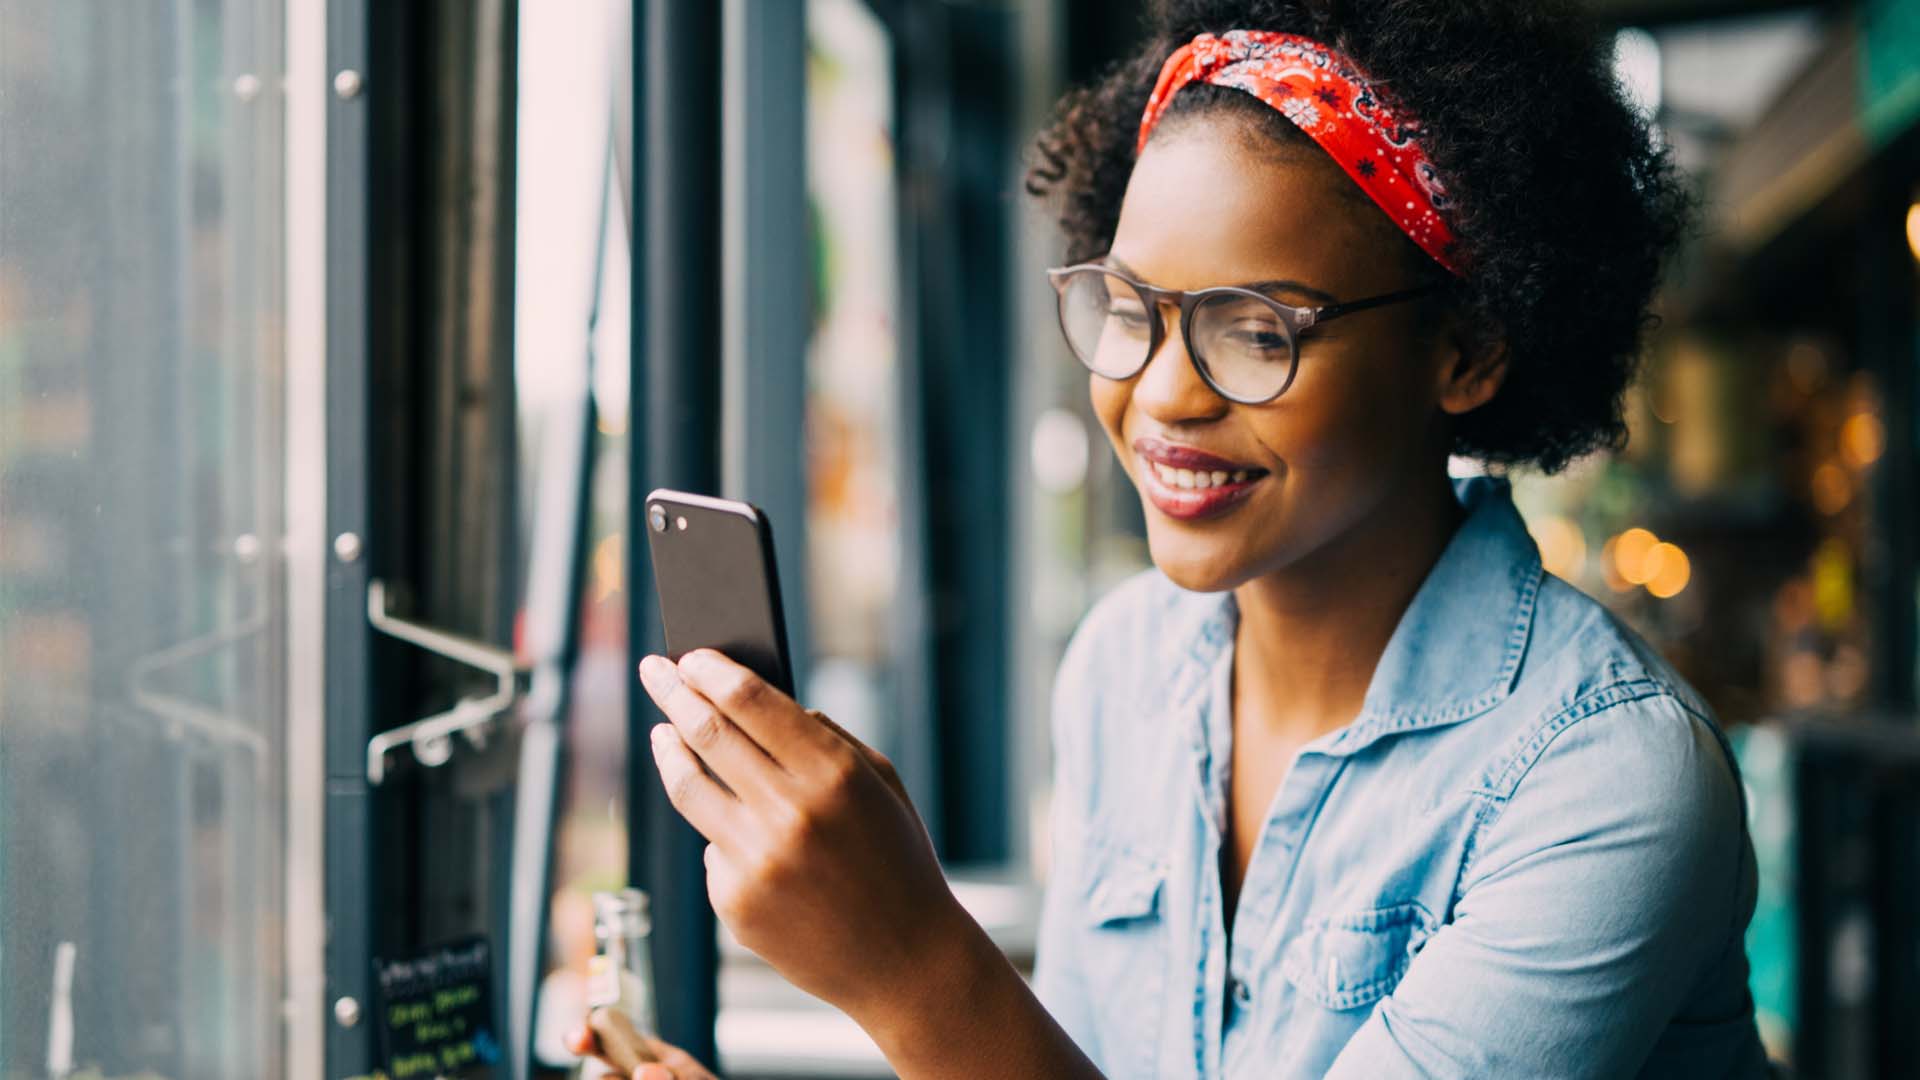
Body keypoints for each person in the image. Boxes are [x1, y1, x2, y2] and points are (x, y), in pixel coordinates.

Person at [574, 0, 1771, 1076]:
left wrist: (910, 968)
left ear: (1467, 351)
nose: (1159, 397)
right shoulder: (1126, 667)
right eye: (1129, 310)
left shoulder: (1605, 783)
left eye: (1254, 331)